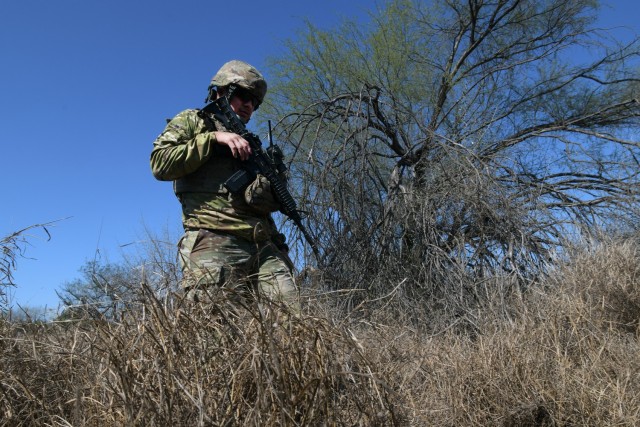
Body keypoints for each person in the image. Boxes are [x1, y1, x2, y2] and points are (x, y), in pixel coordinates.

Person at [150, 60, 298, 309]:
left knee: (293, 325)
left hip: (264, 246)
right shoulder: (194, 121)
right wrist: (213, 139)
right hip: (215, 240)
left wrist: (278, 244)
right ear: (220, 91)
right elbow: (160, 163)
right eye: (242, 95)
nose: (249, 104)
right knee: (217, 336)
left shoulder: (253, 146)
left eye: (255, 101)